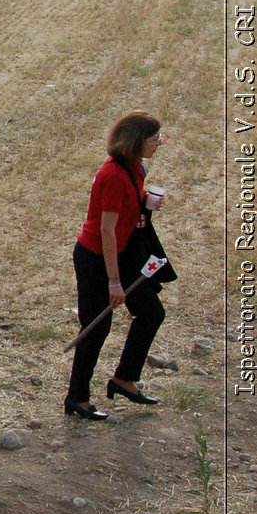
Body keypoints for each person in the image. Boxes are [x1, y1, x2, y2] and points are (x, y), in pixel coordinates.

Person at [65, 111, 176, 420]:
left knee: (152, 312)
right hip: (96, 258)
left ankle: (124, 379)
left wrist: (147, 203)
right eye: (155, 139)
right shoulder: (112, 175)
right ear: (137, 141)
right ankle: (77, 398)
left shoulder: (135, 167)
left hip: (122, 253)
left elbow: (130, 208)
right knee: (96, 327)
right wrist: (114, 282)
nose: (159, 144)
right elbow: (106, 230)